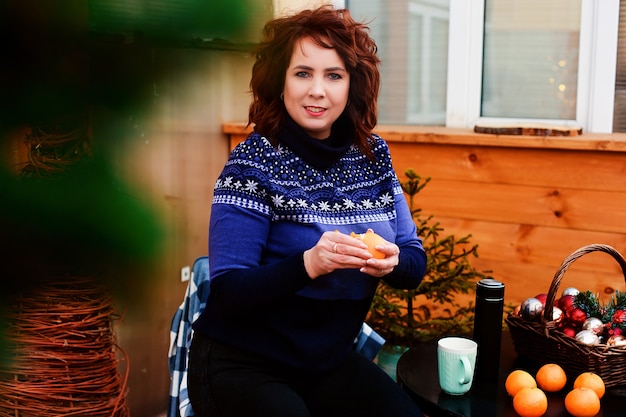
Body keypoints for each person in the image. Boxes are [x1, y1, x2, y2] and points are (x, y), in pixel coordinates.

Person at [188, 5, 426, 417]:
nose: (318, 90)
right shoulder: (252, 164)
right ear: (280, 81)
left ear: (352, 85)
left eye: (333, 75)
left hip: (325, 363)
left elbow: (414, 259)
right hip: (242, 364)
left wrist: (393, 262)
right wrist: (310, 263)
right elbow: (227, 293)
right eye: (303, 73)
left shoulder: (374, 157)